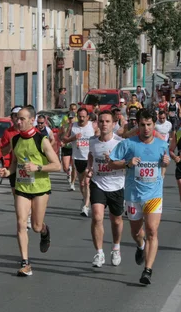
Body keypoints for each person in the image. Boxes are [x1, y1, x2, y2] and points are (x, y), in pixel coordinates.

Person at [108, 108, 170, 285]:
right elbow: (111, 163)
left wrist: (166, 163)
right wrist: (127, 163)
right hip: (133, 195)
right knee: (136, 232)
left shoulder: (162, 144)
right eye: (142, 125)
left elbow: (165, 162)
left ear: (154, 124)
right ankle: (140, 245)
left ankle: (147, 270)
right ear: (138, 124)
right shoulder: (128, 144)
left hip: (153, 195)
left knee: (151, 230)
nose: (146, 128)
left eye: (149, 124)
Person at [0, 107, 61, 276]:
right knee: (20, 223)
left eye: (22, 119)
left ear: (32, 120)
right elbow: (14, 164)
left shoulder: (42, 140)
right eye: (17, 119)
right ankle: (25, 262)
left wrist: (37, 167)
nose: (18, 122)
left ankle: (45, 231)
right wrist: (7, 172)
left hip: (40, 188)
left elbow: (57, 165)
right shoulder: (15, 140)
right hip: (22, 187)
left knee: (36, 226)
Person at [84, 111, 125, 267]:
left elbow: (127, 163)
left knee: (116, 220)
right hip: (98, 182)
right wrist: (89, 167)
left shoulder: (120, 142)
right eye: (101, 121)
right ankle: (99, 253)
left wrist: (113, 162)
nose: (104, 124)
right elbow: (91, 155)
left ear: (114, 124)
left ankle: (116, 247)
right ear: (97, 124)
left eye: (107, 121)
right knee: (97, 216)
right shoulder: (93, 141)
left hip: (116, 185)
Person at [63, 107, 95, 217]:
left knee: (86, 182)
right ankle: (85, 197)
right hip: (77, 158)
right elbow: (64, 139)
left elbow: (99, 137)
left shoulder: (92, 125)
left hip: (89, 158)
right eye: (80, 116)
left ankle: (85, 207)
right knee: (81, 184)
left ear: (88, 117)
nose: (81, 119)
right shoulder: (73, 126)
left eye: (83, 117)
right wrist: (73, 138)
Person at [0, 106, 22, 197]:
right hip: (13, 167)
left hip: (27, 167)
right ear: (12, 118)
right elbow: (3, 152)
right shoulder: (8, 132)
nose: (18, 118)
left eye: (20, 116)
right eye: (15, 116)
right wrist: (11, 143)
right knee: (16, 195)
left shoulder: (30, 131)